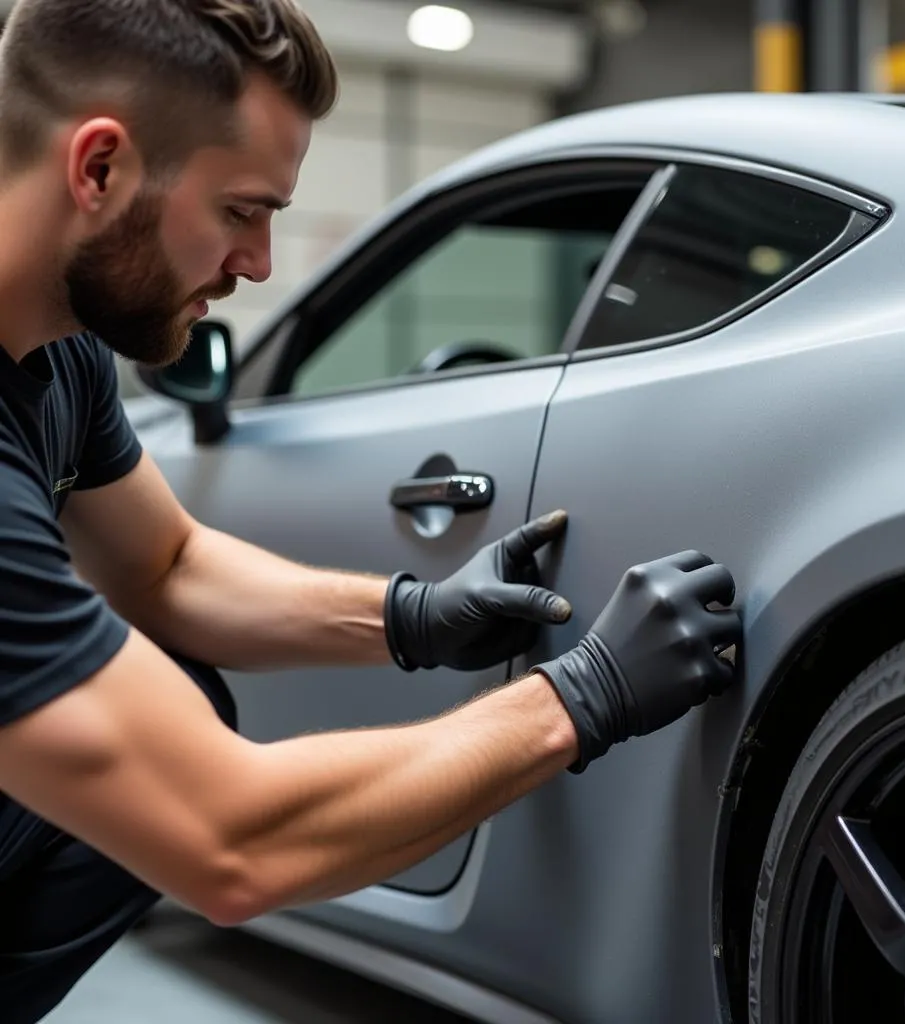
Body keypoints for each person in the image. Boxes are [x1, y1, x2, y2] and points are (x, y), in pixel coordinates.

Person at [0, 1, 744, 1021]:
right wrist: (580, 698)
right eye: (242, 211)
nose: (258, 263)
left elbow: (166, 564)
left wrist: (413, 616)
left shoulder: (60, 351)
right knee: (161, 771)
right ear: (99, 170)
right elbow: (229, 840)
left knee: (176, 696)